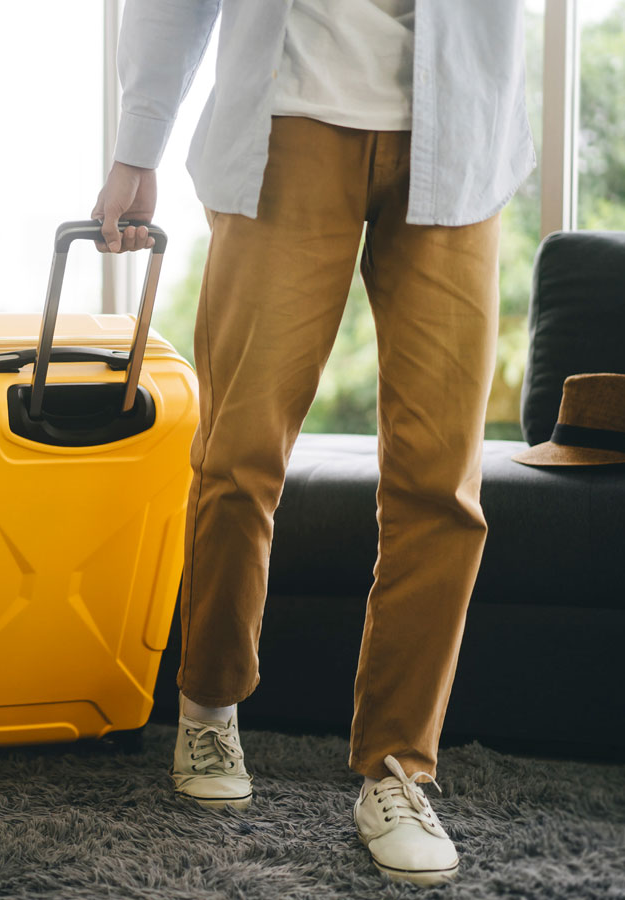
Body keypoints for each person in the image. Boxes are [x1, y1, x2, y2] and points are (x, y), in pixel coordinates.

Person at [91, 0, 534, 887]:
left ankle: (397, 770)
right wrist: (137, 146)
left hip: (458, 130)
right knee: (239, 454)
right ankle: (209, 708)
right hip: (285, 117)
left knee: (441, 487)